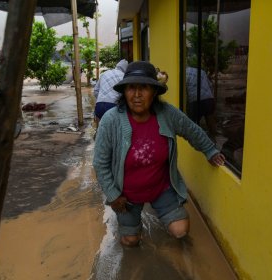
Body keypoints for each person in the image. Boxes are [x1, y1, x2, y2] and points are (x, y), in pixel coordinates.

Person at [93, 61, 225, 247]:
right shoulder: (110, 120)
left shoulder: (167, 114)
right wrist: (114, 195)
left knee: (181, 231)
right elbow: (100, 162)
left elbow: (191, 130)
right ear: (124, 92)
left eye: (144, 88)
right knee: (130, 241)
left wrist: (210, 150)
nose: (137, 95)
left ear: (154, 92)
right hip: (126, 196)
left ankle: (163, 210)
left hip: (160, 187)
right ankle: (129, 225)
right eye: (131, 88)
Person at [93, 59, 128, 126]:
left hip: (99, 105)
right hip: (113, 106)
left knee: (100, 130)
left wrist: (102, 99)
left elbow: (96, 91)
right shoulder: (124, 76)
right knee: (114, 130)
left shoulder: (105, 73)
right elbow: (125, 94)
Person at [186, 66, 216, 137]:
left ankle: (193, 140)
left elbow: (184, 91)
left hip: (194, 101)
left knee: (192, 123)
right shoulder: (201, 72)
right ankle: (213, 139)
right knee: (210, 122)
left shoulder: (184, 74)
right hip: (208, 99)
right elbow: (211, 85)